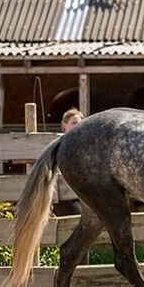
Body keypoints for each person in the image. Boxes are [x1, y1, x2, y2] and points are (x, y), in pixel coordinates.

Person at [53, 108, 89, 263]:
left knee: (84, 235)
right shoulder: (58, 146)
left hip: (83, 198)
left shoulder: (86, 147)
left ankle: (83, 272)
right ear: (64, 125)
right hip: (64, 199)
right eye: (74, 123)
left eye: (81, 124)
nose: (77, 127)